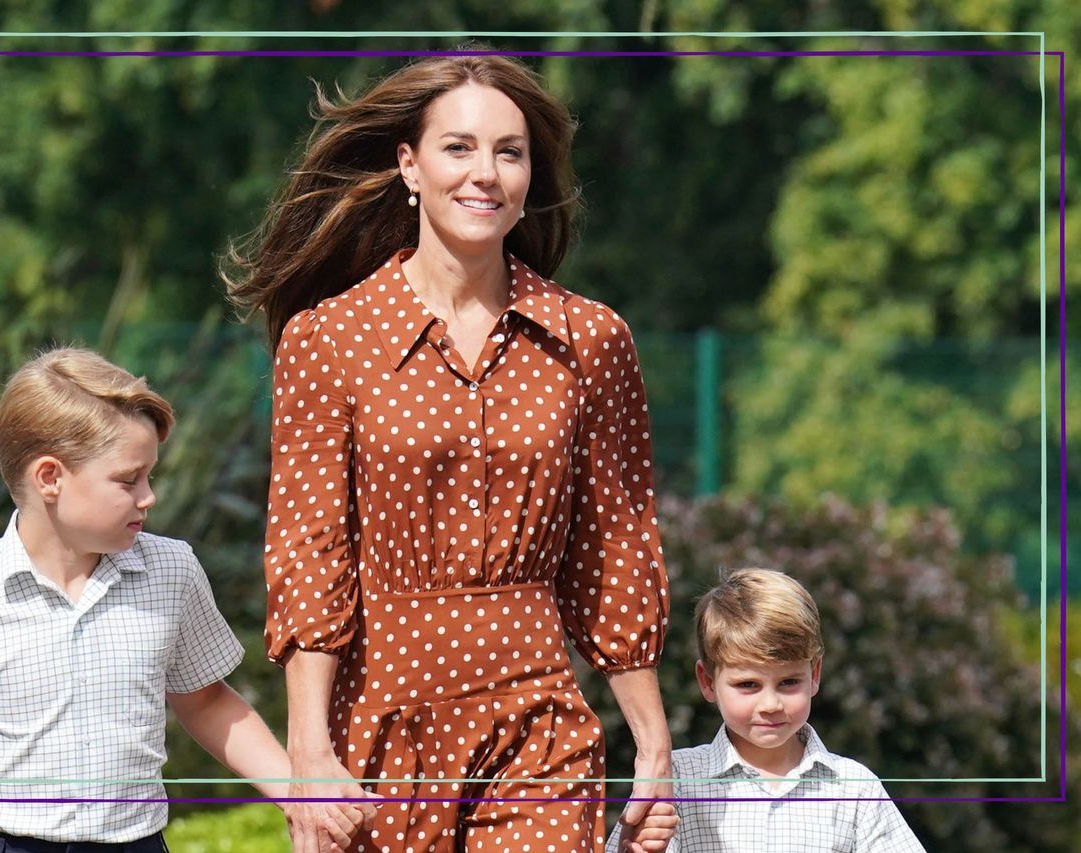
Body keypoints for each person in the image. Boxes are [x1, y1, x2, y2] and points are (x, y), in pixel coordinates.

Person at [224, 53, 675, 852]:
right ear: (410, 165)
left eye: (510, 151)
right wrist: (308, 753)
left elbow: (614, 549)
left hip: (541, 724)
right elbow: (309, 550)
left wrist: (653, 745)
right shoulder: (329, 340)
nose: (487, 173)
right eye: (458, 148)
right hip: (379, 724)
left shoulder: (592, 340)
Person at [0, 347, 372, 853]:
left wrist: (298, 793)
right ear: (50, 477)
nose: (149, 496)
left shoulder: (171, 570)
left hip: (134, 845)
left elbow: (206, 701)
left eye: (150, 475)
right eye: (128, 480)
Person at [608, 568, 927, 853]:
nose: (771, 704)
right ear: (707, 682)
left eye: (788, 682)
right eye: (748, 685)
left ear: (814, 675)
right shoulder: (673, 778)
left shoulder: (855, 788)